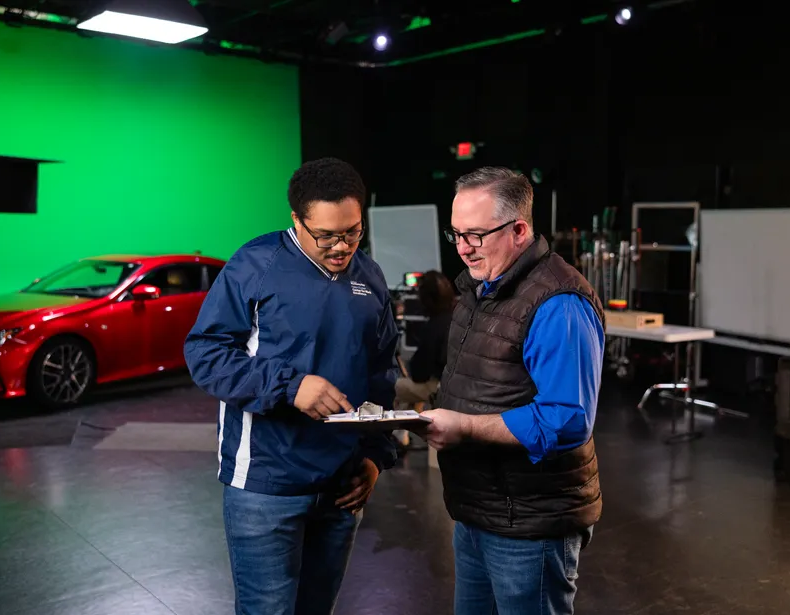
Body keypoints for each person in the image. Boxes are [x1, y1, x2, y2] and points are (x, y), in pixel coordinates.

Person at [183, 157, 399, 615]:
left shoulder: (371, 279)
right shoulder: (255, 265)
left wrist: (376, 457)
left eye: (353, 231)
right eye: (326, 236)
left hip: (343, 485)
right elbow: (206, 354)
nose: (341, 247)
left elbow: (381, 375)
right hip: (266, 484)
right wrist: (289, 386)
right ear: (296, 220)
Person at [419, 167, 605, 615]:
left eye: (476, 235)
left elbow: (567, 420)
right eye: (457, 234)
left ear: (519, 229)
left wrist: (463, 427)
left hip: (530, 526)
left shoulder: (559, 303)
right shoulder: (479, 290)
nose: (463, 248)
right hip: (477, 513)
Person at [394, 270, 455, 409]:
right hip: (459, 385)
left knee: (391, 388)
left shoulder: (435, 325)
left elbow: (419, 375)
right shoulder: (456, 317)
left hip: (442, 386)